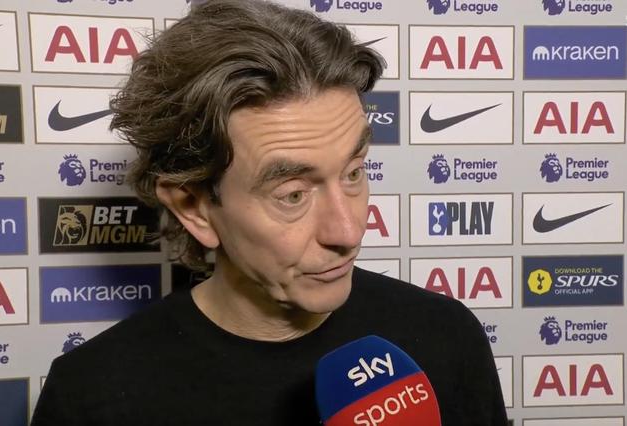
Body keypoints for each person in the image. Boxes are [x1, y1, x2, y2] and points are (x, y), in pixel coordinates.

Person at [31, 1, 508, 425]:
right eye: (293, 195)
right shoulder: (90, 396)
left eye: (354, 172)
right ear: (193, 207)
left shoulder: (445, 338)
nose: (348, 231)